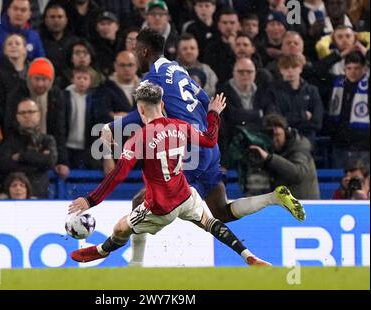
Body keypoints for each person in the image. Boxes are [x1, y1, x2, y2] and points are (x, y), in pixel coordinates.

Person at [101, 28, 306, 266]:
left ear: (144, 51)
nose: (135, 54)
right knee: (220, 211)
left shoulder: (151, 79)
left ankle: (135, 267)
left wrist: (111, 127)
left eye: (136, 50)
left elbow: (142, 114)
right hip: (208, 143)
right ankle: (273, 198)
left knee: (140, 201)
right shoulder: (178, 69)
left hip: (189, 150)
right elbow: (205, 100)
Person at [69, 83, 270, 266]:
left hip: (160, 206)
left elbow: (118, 175)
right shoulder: (180, 126)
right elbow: (209, 140)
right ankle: (248, 255)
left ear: (140, 109)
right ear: (162, 104)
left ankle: (102, 251)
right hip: (185, 194)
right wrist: (213, 113)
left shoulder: (139, 138)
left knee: (121, 227)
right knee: (210, 222)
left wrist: (90, 200)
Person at [0, 99, 58, 198]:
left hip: (39, 194)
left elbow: (50, 161)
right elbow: (4, 164)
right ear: (17, 117)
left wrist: (21, 156)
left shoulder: (47, 140)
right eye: (22, 113)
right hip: (14, 197)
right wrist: (37, 162)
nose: (26, 115)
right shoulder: (9, 140)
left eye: (30, 112)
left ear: (38, 115)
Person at [249, 114, 321, 200]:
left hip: (304, 203)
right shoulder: (265, 149)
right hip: (280, 204)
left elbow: (298, 173)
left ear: (286, 133)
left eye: (277, 135)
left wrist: (270, 158)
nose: (274, 140)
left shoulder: (299, 146)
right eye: (270, 136)